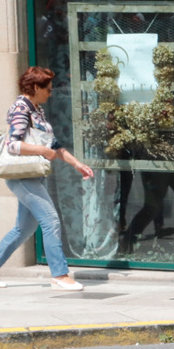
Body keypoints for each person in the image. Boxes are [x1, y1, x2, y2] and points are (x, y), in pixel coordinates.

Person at [1, 66, 94, 291]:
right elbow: (12, 144)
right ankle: (60, 275)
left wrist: (77, 164)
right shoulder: (21, 109)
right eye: (48, 89)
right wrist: (41, 151)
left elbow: (53, 144)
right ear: (35, 87)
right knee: (51, 220)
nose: (51, 93)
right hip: (23, 177)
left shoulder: (36, 109)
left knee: (23, 229)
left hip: (33, 175)